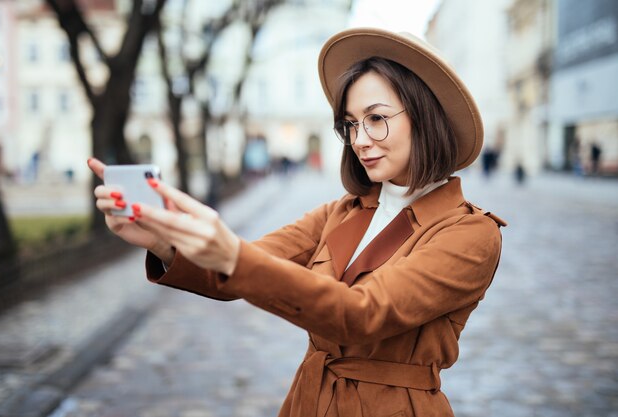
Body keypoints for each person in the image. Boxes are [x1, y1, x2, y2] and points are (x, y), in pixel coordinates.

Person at [88, 28, 506, 417]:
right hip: (307, 400)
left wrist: (234, 256)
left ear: (425, 115)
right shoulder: (343, 212)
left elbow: (362, 314)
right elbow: (243, 268)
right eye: (350, 124)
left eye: (376, 119)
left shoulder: (470, 233)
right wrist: (164, 242)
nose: (359, 140)